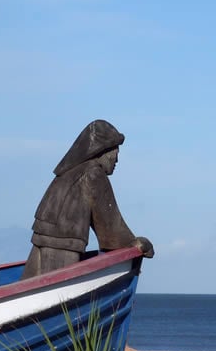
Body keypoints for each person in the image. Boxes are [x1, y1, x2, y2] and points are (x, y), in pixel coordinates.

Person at [21, 119, 154, 279]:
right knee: (60, 295)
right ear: (102, 151)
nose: (116, 160)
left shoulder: (66, 174)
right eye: (115, 154)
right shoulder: (93, 175)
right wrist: (137, 245)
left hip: (42, 240)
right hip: (65, 247)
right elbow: (111, 228)